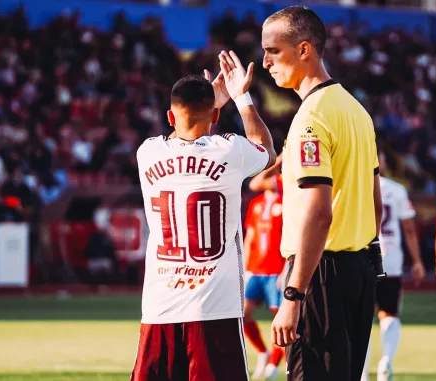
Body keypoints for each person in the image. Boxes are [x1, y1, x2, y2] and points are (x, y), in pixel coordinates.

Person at [229, 6, 384, 381]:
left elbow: (318, 212)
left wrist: (294, 296)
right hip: (358, 270)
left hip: (319, 275)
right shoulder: (356, 110)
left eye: (273, 51)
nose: (264, 62)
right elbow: (375, 202)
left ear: (304, 50)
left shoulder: (310, 119)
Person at [130, 54, 277, 381]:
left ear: (170, 115)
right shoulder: (229, 151)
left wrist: (213, 103)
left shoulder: (147, 152)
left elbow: (187, 141)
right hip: (215, 307)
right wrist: (240, 97)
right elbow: (266, 149)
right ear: (214, 116)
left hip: (159, 307)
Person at [362, 152, 425, 381]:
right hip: (391, 259)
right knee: (389, 314)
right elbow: (409, 229)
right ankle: (386, 359)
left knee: (361, 318)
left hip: (362, 257)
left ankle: (361, 372)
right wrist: (417, 261)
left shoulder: (355, 186)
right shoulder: (396, 190)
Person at [242, 158, 285, 380]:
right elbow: (250, 238)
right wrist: (245, 269)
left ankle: (275, 364)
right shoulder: (256, 204)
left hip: (277, 271)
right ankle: (263, 352)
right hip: (256, 270)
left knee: (281, 319)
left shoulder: (287, 198)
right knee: (244, 313)